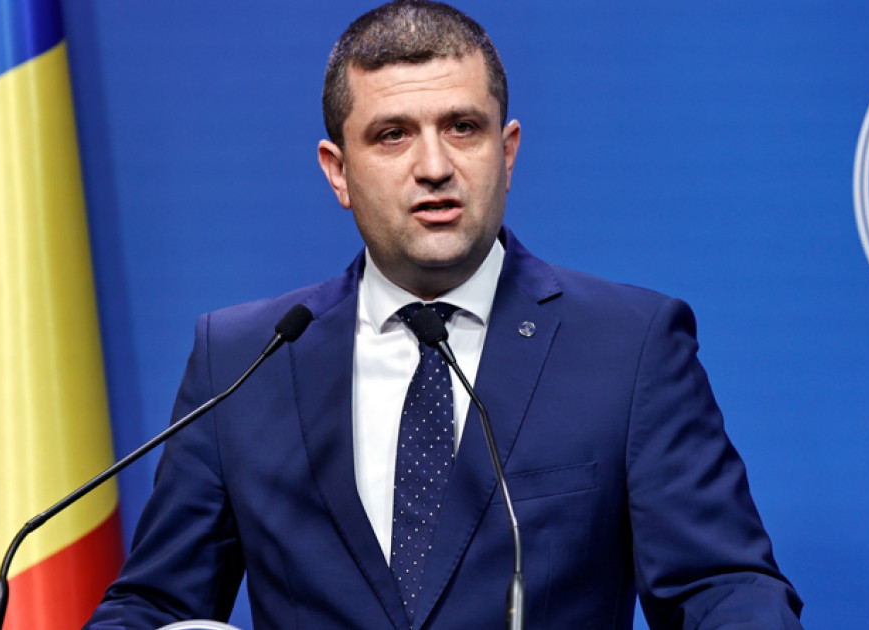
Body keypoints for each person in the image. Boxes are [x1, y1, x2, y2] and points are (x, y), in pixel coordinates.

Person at [85, 2, 803, 628]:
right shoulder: (243, 358)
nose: (434, 166)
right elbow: (152, 604)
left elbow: (724, 589)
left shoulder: (628, 346)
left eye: (462, 127)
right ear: (338, 170)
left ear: (507, 151)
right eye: (392, 135)